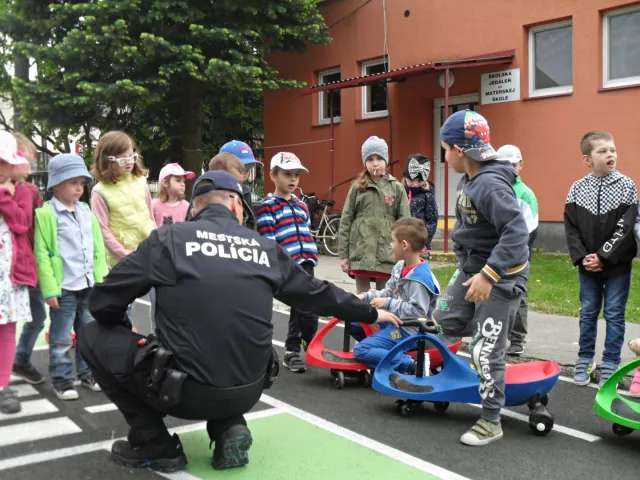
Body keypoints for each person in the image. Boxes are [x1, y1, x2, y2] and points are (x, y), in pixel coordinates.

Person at [79, 170, 401, 473]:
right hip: (248, 390)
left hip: (181, 391)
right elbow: (318, 295)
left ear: (194, 210)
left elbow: (102, 301)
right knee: (230, 335)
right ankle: (229, 424)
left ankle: (154, 442)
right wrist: (370, 312)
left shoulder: (169, 240)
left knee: (92, 334)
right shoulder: (265, 248)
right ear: (236, 204)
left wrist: (122, 329)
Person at [433, 110, 529, 446]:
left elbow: (516, 233)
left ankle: (491, 419)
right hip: (472, 268)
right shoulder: (470, 179)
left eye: (445, 149)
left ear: (460, 150)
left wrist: (489, 276)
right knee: (442, 319)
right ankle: (488, 341)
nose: (444, 156)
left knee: (485, 351)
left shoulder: (489, 185)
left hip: (499, 278)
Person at [564, 131, 638, 388]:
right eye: (603, 151)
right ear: (587, 159)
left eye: (613, 150)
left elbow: (626, 228)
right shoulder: (576, 189)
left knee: (615, 314)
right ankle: (585, 358)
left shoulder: (627, 186)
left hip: (617, 266)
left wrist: (604, 256)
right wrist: (584, 258)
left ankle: (610, 363)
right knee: (588, 313)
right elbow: (571, 229)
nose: (610, 155)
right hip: (587, 267)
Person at [34, 154, 108, 400]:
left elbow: (97, 247)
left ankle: (86, 373)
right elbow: (42, 253)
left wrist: (101, 277)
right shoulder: (46, 214)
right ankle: (62, 379)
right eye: (72, 182)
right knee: (61, 337)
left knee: (87, 334)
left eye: (81, 182)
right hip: (63, 287)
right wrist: (49, 289)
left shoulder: (86, 210)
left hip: (88, 284)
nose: (79, 188)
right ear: (56, 184)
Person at [256, 152, 318, 373]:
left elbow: (307, 231)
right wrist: (277, 267)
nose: (293, 180)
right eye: (287, 174)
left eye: (296, 175)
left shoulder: (301, 206)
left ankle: (297, 347)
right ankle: (303, 345)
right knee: (305, 308)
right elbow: (268, 241)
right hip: (287, 265)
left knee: (303, 308)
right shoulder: (267, 206)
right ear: (273, 175)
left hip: (307, 261)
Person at [354, 218, 440, 372]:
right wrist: (365, 296)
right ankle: (381, 351)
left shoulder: (420, 278)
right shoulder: (400, 266)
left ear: (404, 245)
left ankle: (412, 364)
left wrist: (387, 303)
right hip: (394, 322)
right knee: (353, 319)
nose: (390, 245)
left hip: (409, 331)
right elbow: (389, 291)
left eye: (392, 241)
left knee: (361, 350)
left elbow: (418, 313)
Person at [338, 136, 411, 293]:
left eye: (379, 158)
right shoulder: (357, 187)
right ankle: (363, 319)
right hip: (361, 253)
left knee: (384, 297)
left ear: (386, 160)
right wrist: (344, 254)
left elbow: (405, 223)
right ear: (365, 162)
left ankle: (381, 319)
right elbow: (346, 220)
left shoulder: (397, 188)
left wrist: (406, 254)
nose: (375, 163)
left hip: (387, 254)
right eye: (370, 159)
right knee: (362, 298)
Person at [0, 131, 37, 414]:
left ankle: (3, 386)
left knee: (7, 329)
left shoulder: (21, 191)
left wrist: (4, 197)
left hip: (9, 277)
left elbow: (22, 224)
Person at [11, 133, 48, 385]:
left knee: (37, 316)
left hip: (28, 265)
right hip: (7, 267)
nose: (29, 167)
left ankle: (20, 359)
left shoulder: (31, 191)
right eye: (26, 160)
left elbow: (37, 228)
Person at [496, 145, 539, 356]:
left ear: (521, 165)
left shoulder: (525, 194)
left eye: (513, 165)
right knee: (497, 298)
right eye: (504, 165)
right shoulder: (494, 189)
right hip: (496, 254)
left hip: (518, 257)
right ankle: (497, 336)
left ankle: (517, 338)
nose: (509, 169)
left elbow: (531, 230)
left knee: (518, 298)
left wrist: (521, 256)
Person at [402, 154, 438, 254]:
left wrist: (424, 242)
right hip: (402, 242)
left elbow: (432, 221)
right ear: (405, 177)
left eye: (419, 180)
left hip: (420, 246)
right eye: (412, 180)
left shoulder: (427, 196)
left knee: (418, 269)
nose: (415, 184)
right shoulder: (401, 193)